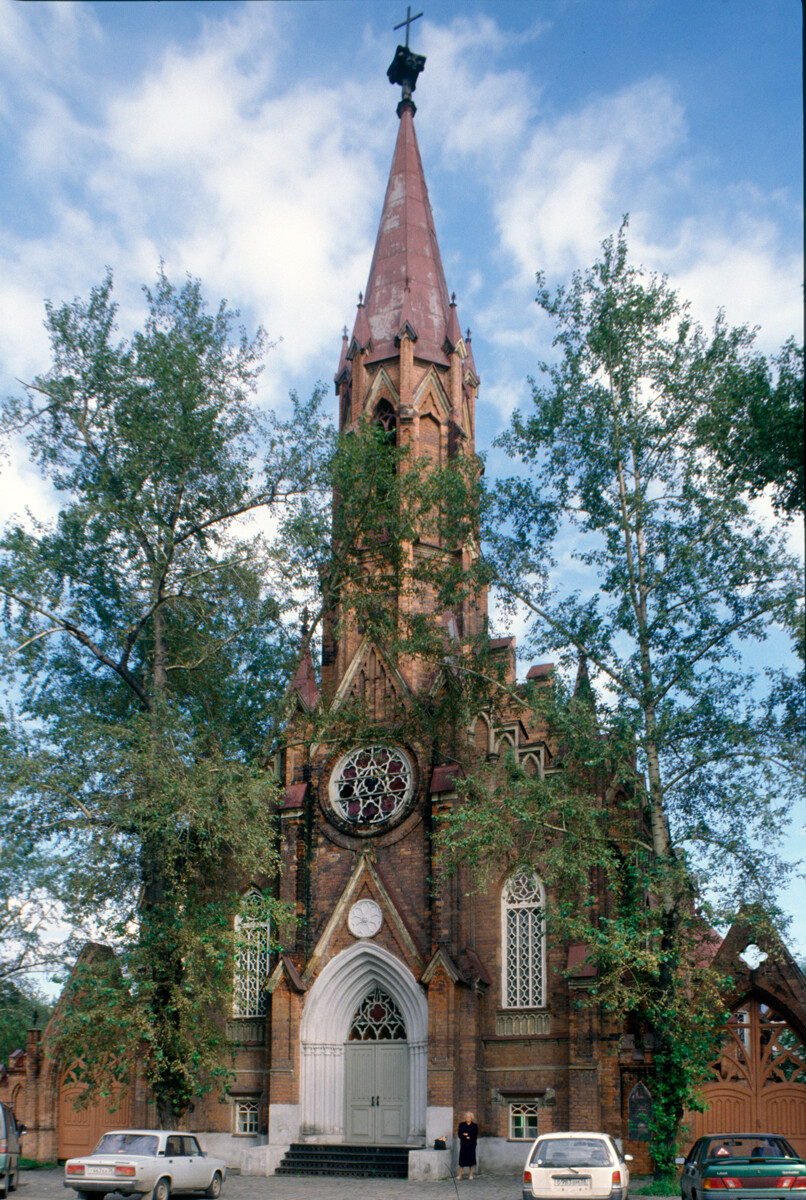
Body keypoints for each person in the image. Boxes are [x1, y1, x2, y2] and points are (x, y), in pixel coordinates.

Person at [457, 1111, 478, 1180]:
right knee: (462, 1159)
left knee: (471, 1159)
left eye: (469, 1117)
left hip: (471, 1145)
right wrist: (467, 1136)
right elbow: (460, 1134)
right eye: (467, 1117)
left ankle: (471, 1174)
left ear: (471, 1118)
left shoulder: (474, 1126)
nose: (468, 1118)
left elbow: (474, 1134)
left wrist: (467, 1135)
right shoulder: (461, 1125)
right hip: (464, 1145)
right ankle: (460, 1175)